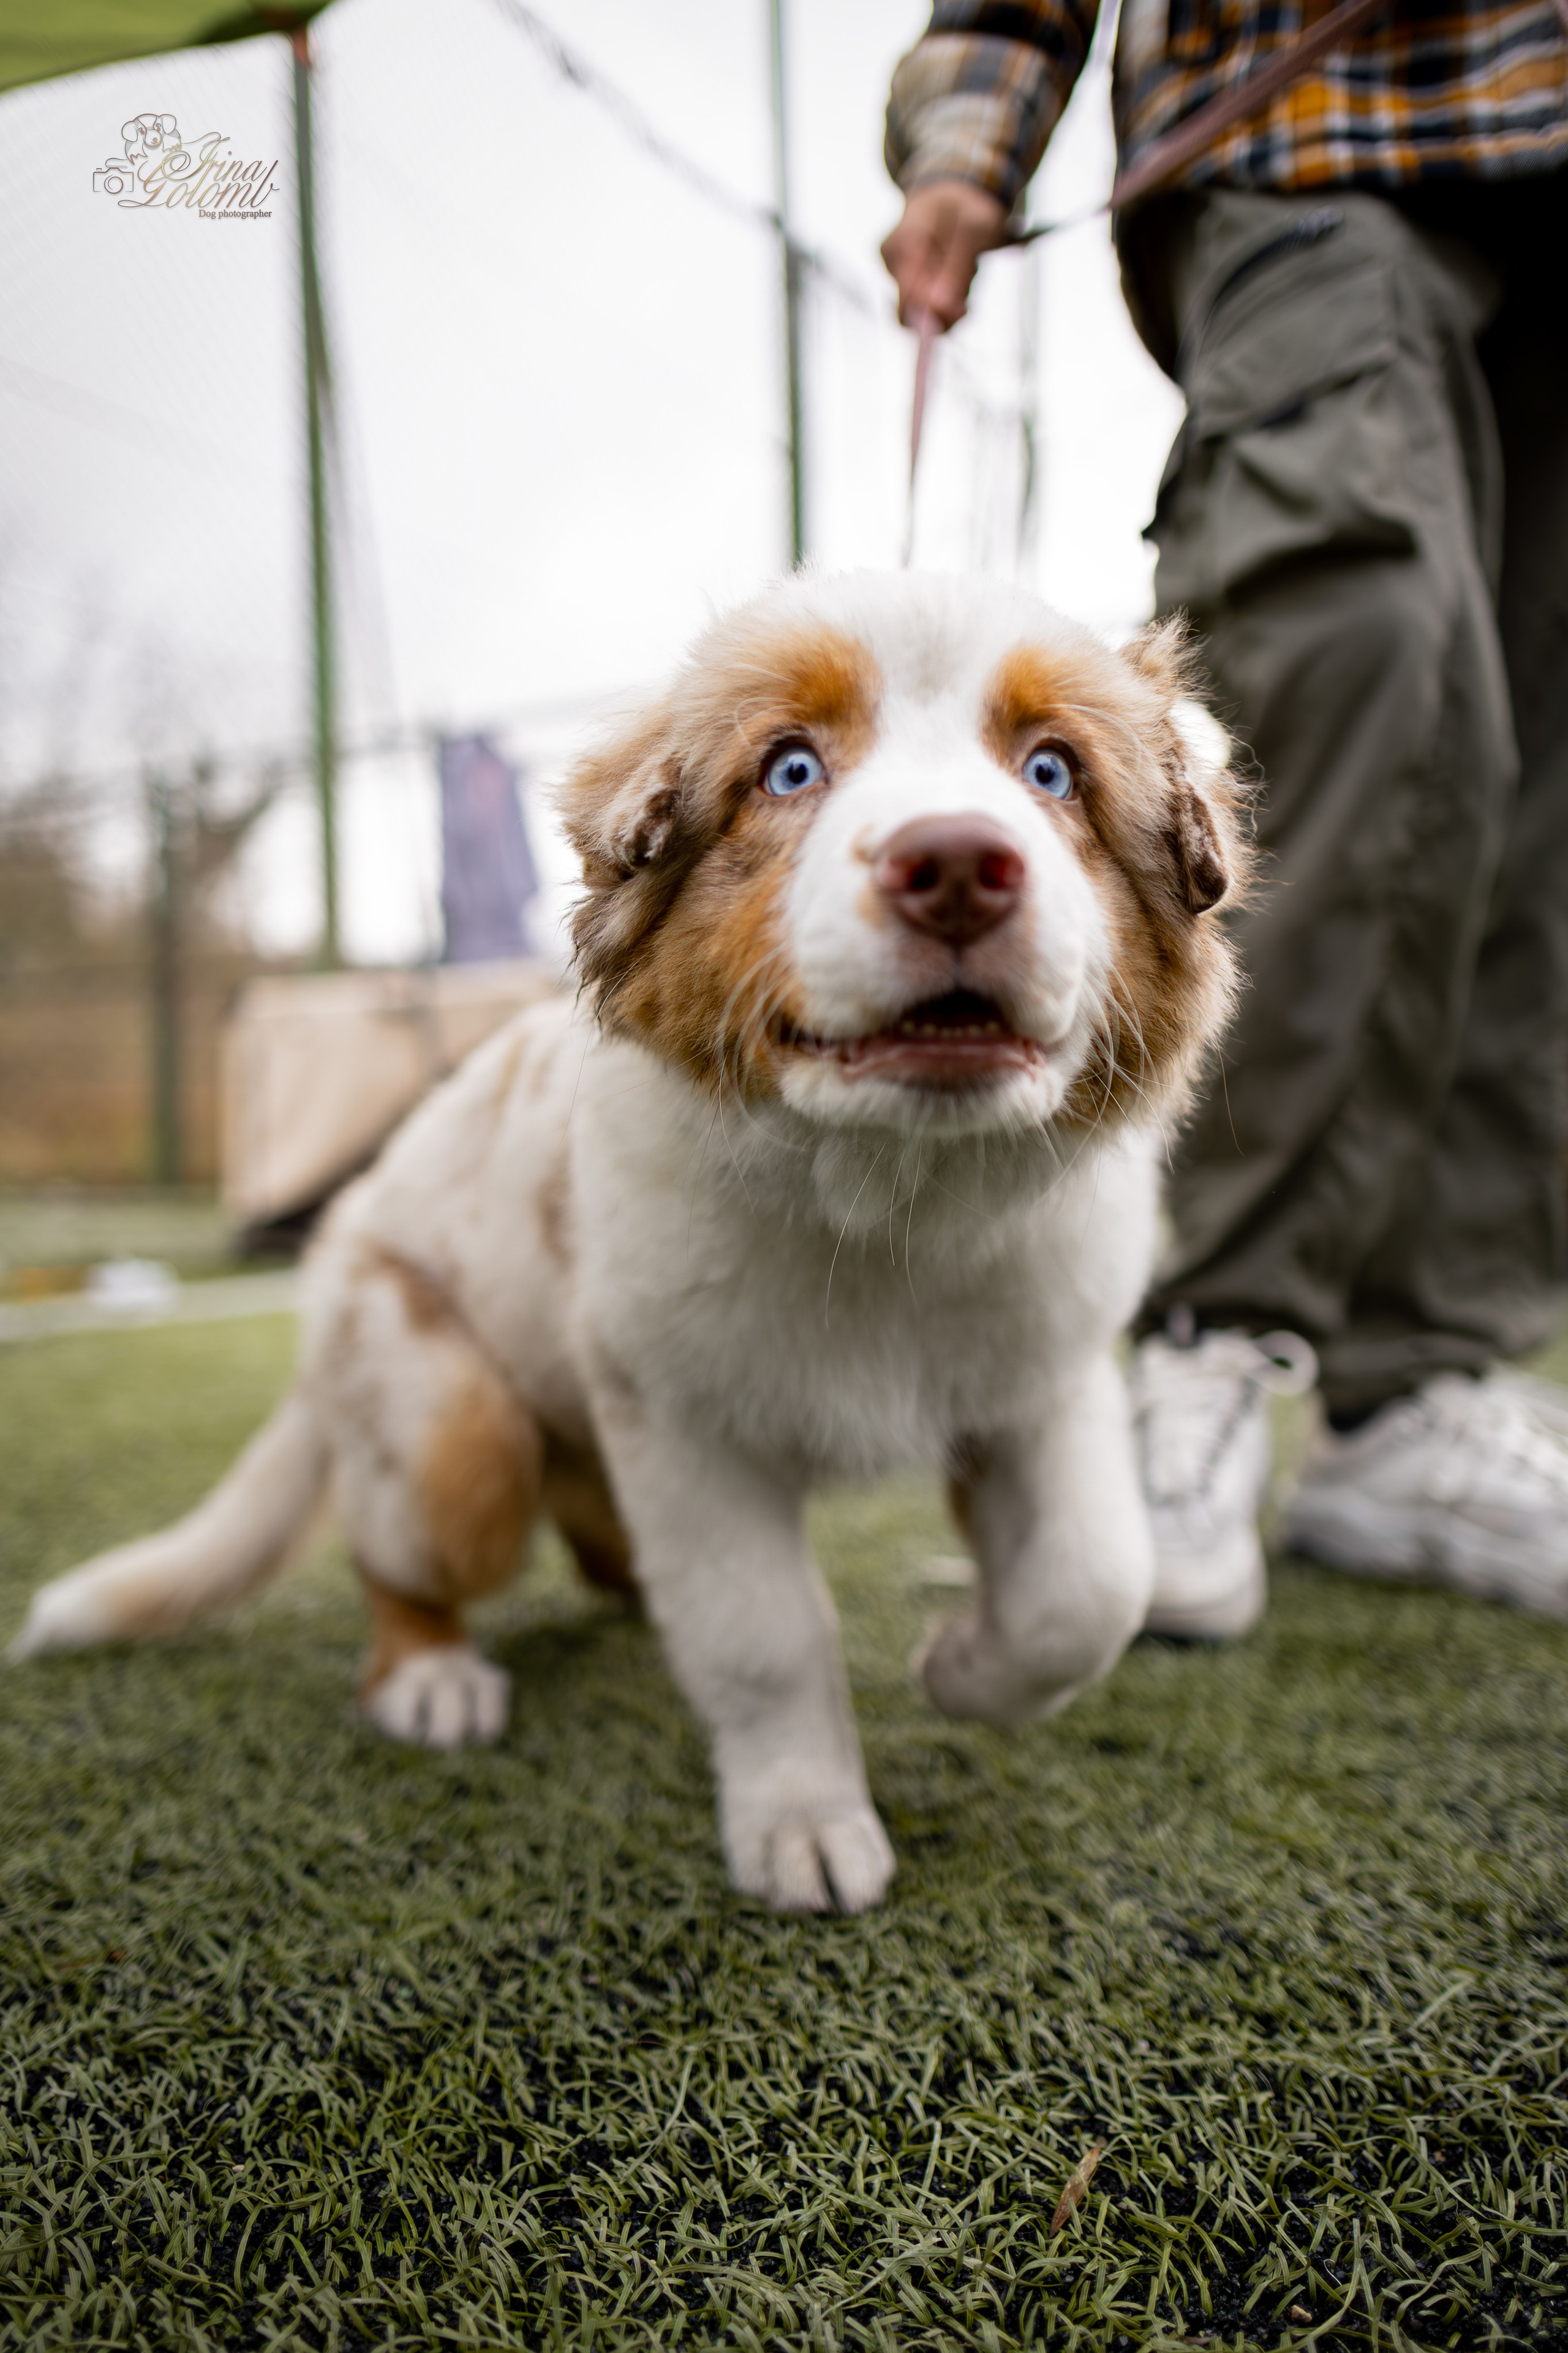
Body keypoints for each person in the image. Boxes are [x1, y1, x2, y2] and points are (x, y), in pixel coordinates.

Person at [881, 0, 1568, 1636]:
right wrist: (975, 142)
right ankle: (1202, 1329)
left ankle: (1421, 1380)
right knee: (1362, 647)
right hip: (1304, 123)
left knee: (1538, 779)